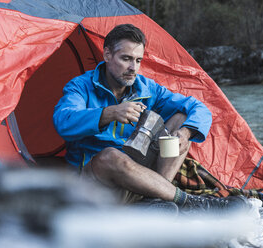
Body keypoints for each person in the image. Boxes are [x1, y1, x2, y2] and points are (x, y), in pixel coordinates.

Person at [53, 24, 248, 213]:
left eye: (138, 60)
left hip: (139, 178)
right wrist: (110, 112)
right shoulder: (80, 86)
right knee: (110, 155)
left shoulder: (147, 88)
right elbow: (63, 121)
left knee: (181, 117)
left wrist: (185, 133)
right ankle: (190, 203)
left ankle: (154, 200)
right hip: (95, 188)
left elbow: (198, 108)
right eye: (126, 58)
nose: (133, 68)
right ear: (107, 55)